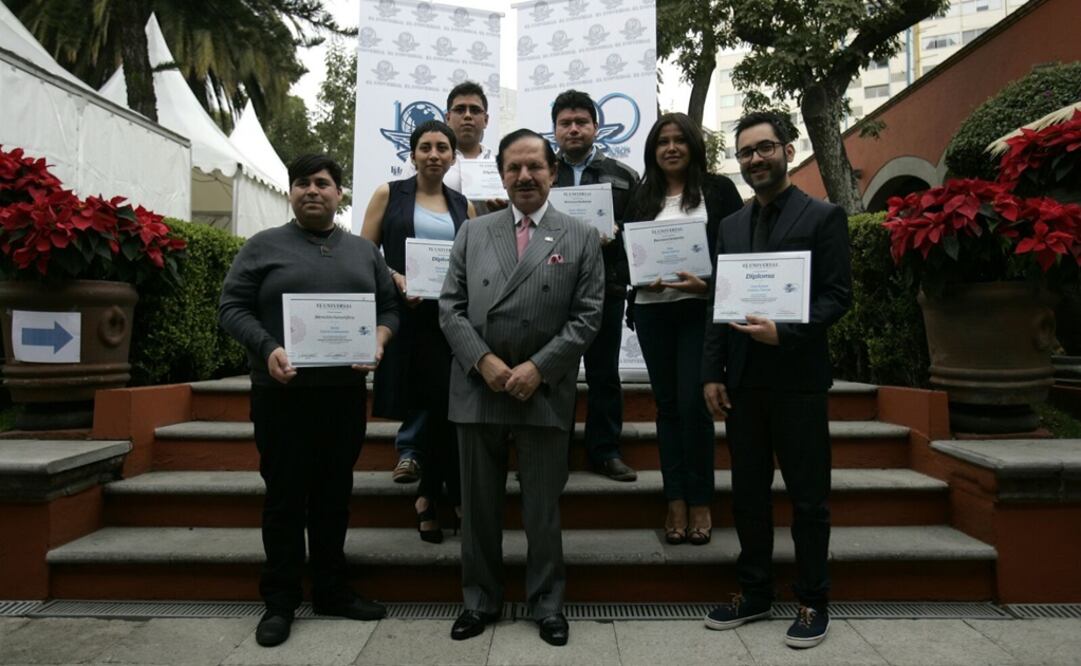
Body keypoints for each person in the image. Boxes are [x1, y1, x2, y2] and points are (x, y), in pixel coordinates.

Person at [218, 154, 399, 648]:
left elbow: (388, 307)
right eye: (302, 184)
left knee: (333, 496)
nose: (312, 190)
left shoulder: (364, 252)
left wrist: (379, 338)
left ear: (339, 194)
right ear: (291, 193)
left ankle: (331, 589)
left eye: (322, 183)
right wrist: (267, 347)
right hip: (281, 395)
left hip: (342, 396)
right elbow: (231, 306)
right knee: (284, 498)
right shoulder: (263, 247)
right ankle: (279, 601)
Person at [439, 129, 604, 647]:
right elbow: (450, 307)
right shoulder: (473, 232)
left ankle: (547, 604)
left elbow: (588, 315)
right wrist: (482, 361)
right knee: (479, 509)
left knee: (542, 509)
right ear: (501, 175)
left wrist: (539, 367)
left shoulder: (581, 234)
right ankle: (480, 600)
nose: (525, 176)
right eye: (514, 168)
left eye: (535, 166)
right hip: (478, 387)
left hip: (544, 389)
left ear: (553, 173)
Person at [701, 111, 851, 649]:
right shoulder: (731, 226)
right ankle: (755, 592)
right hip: (743, 381)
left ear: (787, 151)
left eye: (764, 148)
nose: (755, 159)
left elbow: (837, 296)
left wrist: (785, 332)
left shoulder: (823, 216)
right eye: (745, 153)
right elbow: (721, 303)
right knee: (747, 494)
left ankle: (813, 600)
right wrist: (711, 373)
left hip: (798, 379)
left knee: (809, 498)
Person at [622, 113, 742, 546]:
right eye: (662, 142)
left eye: (678, 141)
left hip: (698, 312)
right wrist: (640, 277)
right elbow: (627, 256)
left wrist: (707, 284)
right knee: (668, 407)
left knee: (695, 406)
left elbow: (737, 249)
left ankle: (701, 500)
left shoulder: (718, 190)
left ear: (693, 146)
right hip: (654, 313)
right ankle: (675, 498)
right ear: (653, 150)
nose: (670, 148)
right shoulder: (641, 196)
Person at [361, 120, 476, 543]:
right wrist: (394, 277)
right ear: (412, 154)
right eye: (425, 147)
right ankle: (445, 496)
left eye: (442, 147)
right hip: (407, 319)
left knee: (448, 408)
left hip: (451, 322)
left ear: (452, 155)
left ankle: (430, 497)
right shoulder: (388, 195)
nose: (433, 154)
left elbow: (473, 263)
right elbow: (365, 255)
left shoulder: (465, 205)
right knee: (430, 404)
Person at [391, 82, 501, 483]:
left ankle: (453, 462)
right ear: (448, 116)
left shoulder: (499, 167)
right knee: (421, 376)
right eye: (460, 109)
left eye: (475, 109)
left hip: (470, 292)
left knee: (453, 379)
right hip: (416, 296)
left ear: (486, 119)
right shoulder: (413, 174)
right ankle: (412, 450)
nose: (468, 115)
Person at [551, 89, 639, 482]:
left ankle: (605, 451)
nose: (573, 129)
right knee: (554, 372)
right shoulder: (539, 172)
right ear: (554, 129)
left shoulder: (624, 176)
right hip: (549, 288)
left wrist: (616, 237)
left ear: (595, 127)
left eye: (581, 122)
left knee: (604, 372)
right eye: (565, 123)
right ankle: (553, 453)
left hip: (604, 288)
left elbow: (640, 239)